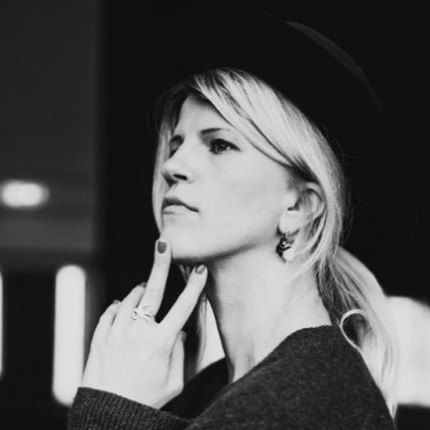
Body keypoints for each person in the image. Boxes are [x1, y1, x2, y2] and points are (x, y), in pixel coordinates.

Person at [67, 3, 411, 429]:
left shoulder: (298, 404)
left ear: (300, 206)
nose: (172, 166)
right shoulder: (221, 389)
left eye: (220, 145)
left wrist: (109, 409)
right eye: (175, 144)